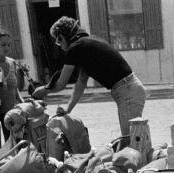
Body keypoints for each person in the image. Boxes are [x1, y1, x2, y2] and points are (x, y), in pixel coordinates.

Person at [31, 17, 146, 147]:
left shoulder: (75, 48)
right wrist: (68, 108)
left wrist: (43, 90)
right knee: (132, 138)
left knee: (130, 140)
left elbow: (61, 84)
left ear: (62, 36)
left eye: (58, 41)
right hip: (128, 89)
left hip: (127, 90)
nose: (61, 46)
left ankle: (143, 165)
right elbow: (81, 84)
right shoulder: (86, 45)